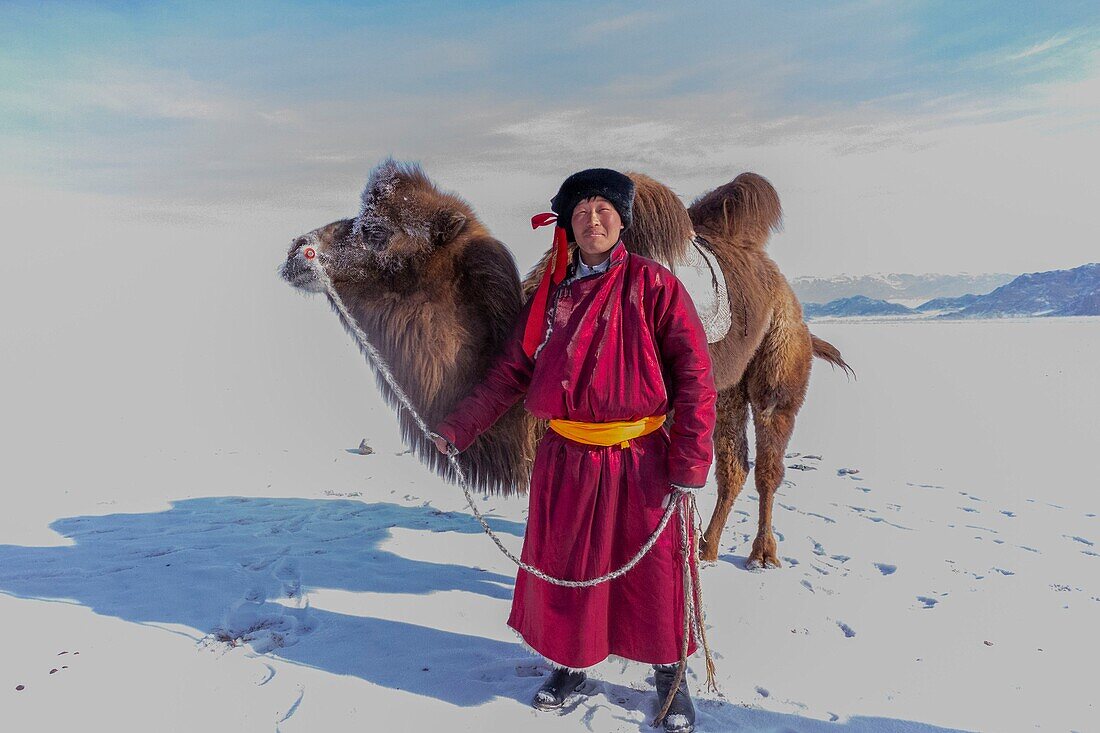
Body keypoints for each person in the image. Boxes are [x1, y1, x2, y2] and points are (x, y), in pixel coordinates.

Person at [430, 168, 717, 733]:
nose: (593, 219)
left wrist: (688, 461)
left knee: (656, 574)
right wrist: (457, 429)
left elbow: (695, 376)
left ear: (622, 219)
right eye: (582, 210)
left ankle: (671, 679)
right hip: (567, 459)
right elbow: (510, 373)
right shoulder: (551, 297)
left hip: (642, 459)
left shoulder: (654, 286)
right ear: (568, 224)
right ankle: (571, 664)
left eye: (604, 209)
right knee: (568, 568)